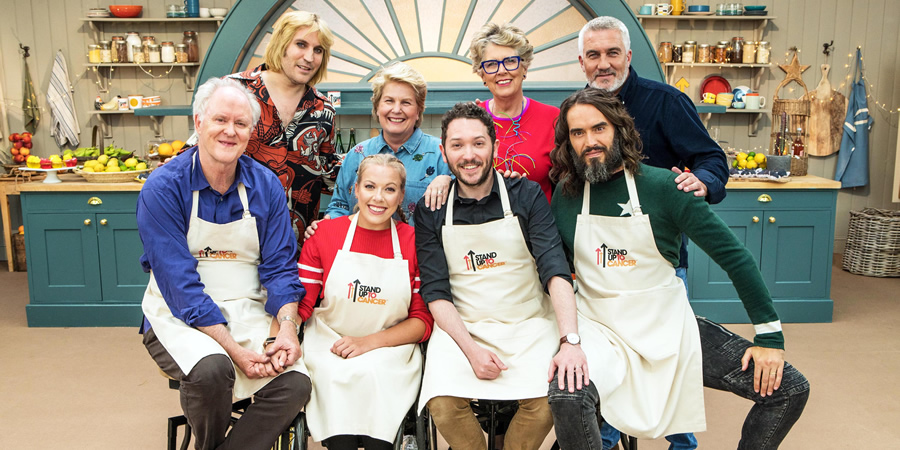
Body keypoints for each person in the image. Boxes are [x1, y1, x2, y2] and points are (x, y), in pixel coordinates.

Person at [546, 88, 810, 450]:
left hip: (666, 325)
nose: (589, 141)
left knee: (790, 389)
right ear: (568, 142)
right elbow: (553, 268)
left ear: (620, 130)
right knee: (567, 397)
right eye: (578, 133)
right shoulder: (566, 193)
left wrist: (769, 337)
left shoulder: (666, 187)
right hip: (599, 330)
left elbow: (735, 257)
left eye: (599, 128)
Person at [577, 17, 730, 448]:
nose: (603, 64)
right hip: (601, 269)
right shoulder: (579, 110)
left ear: (628, 56)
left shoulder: (666, 102)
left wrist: (703, 181)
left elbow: (712, 159)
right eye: (594, 55)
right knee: (607, 370)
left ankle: (682, 444)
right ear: (582, 62)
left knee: (667, 368)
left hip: (658, 264)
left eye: (611, 53)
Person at [138, 77, 311, 450]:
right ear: (199, 122)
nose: (229, 132)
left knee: (296, 383)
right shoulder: (164, 187)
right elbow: (181, 287)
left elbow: (281, 268)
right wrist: (234, 349)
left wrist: (286, 328)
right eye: (220, 120)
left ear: (251, 132)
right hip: (176, 315)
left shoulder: (264, 185)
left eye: (240, 124)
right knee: (212, 370)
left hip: (248, 308)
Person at [415, 102, 587, 450]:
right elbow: (435, 293)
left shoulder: (526, 195)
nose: (469, 155)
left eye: (478, 143)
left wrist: (570, 341)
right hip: (463, 325)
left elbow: (554, 268)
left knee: (546, 402)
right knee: (443, 404)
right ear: (444, 151)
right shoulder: (430, 208)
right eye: (457, 145)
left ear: (494, 146)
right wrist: (472, 351)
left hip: (528, 321)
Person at [298, 154, 434, 449]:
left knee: (376, 375)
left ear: (401, 196)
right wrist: (281, 334)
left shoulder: (414, 241)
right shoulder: (324, 235)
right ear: (355, 189)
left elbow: (422, 321)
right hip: (329, 344)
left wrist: (369, 342)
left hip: (391, 349)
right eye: (370, 186)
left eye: (389, 189)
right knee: (334, 377)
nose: (378, 198)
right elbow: (303, 304)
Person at [225, 10, 339, 247]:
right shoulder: (234, 90)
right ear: (281, 45)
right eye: (301, 44)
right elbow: (199, 151)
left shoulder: (323, 108)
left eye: (318, 50)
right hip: (235, 238)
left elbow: (328, 169)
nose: (309, 57)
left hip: (297, 245)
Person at [317, 62, 451, 230]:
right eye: (389, 101)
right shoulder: (357, 155)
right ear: (377, 107)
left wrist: (449, 181)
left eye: (406, 102)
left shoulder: (443, 155)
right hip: (363, 253)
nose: (396, 109)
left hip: (421, 254)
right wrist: (324, 226)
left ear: (418, 111)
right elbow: (339, 206)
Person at [469, 22, 559, 202]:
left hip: (539, 227)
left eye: (510, 61)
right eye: (492, 64)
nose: (502, 71)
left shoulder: (553, 118)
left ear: (524, 67)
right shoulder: (470, 119)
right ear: (482, 74)